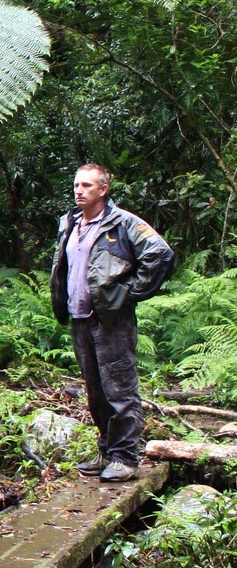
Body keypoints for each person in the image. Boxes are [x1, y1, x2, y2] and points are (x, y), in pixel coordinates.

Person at [49, 164, 174, 481]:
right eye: (77, 185)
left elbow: (160, 254)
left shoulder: (123, 223)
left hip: (111, 320)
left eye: (87, 185)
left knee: (119, 390)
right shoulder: (70, 223)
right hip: (81, 320)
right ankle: (106, 451)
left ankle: (125, 459)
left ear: (103, 189)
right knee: (95, 392)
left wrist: (130, 293)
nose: (79, 190)